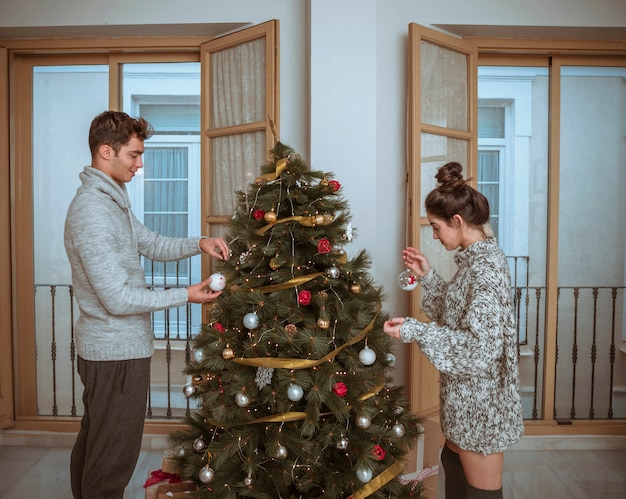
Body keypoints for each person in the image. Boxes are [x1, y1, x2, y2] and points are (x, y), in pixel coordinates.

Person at [65, 110, 230, 499]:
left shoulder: (110, 200)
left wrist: (199, 243)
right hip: (114, 353)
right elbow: (118, 299)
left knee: (96, 446)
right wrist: (186, 295)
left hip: (112, 349)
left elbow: (151, 243)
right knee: (112, 460)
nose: (141, 164)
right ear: (106, 151)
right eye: (134, 155)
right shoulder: (92, 210)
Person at [383, 162, 524, 499]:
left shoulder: (486, 269)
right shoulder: (473, 261)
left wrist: (418, 331)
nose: (433, 235)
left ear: (457, 222)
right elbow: (454, 315)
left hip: (481, 409)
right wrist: (428, 275)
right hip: (464, 406)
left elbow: (479, 347)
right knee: (455, 474)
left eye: (435, 227)